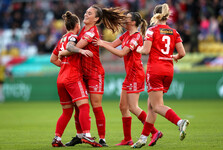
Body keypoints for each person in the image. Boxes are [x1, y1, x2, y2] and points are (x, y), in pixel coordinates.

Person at [58, 5, 127, 147]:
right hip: (81, 73)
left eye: (89, 13)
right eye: (86, 12)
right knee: (79, 106)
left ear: (96, 19)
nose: (86, 15)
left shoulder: (92, 32)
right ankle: (80, 135)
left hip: (95, 73)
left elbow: (76, 49)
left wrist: (62, 52)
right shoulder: (83, 29)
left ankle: (102, 138)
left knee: (96, 106)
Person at [94, 12, 162, 146]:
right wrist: (100, 42)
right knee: (123, 106)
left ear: (133, 22)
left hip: (136, 74)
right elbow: (113, 45)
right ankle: (127, 139)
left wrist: (102, 44)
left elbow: (121, 53)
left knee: (133, 107)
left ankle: (154, 132)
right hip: (130, 74)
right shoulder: (126, 35)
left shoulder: (136, 37)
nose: (124, 20)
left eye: (127, 18)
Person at [131, 3, 189, 148]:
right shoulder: (174, 32)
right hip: (168, 70)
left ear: (154, 15)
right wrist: (174, 57)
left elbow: (145, 50)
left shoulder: (152, 30)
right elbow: (182, 53)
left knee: (157, 106)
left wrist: (136, 48)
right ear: (167, 16)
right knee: (151, 106)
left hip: (155, 69)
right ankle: (143, 138)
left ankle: (179, 122)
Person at [50, 11, 102, 147]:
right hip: (73, 77)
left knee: (67, 111)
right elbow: (70, 47)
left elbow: (52, 59)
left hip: (61, 78)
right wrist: (81, 51)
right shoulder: (73, 37)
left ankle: (57, 138)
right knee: (84, 106)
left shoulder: (61, 38)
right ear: (77, 25)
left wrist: (65, 66)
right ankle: (87, 135)